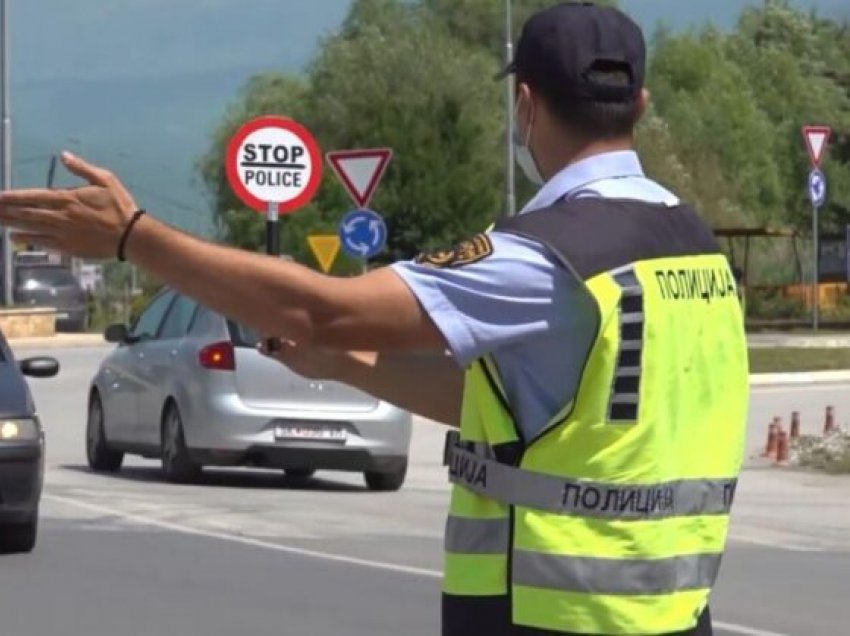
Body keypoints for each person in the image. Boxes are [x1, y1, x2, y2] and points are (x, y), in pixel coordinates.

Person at [0, 3, 748, 634]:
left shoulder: (547, 255)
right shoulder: (692, 249)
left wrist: (134, 238)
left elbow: (321, 307)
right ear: (641, 107)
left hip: (551, 616)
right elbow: (521, 413)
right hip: (673, 614)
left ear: (524, 104)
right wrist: (341, 366)